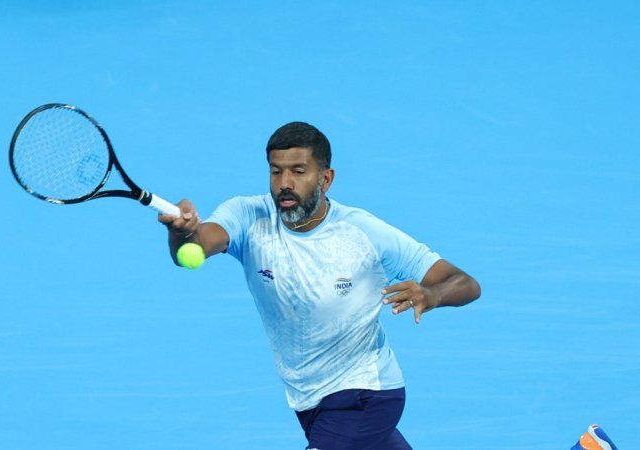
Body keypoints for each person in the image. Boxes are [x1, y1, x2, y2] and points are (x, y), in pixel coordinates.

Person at [158, 122, 481, 449]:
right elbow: (194, 250)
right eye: (276, 172)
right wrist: (181, 232)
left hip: (366, 394)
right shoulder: (247, 216)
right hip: (310, 401)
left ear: (326, 179)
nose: (285, 184)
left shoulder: (362, 233)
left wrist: (431, 293)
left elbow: (465, 283)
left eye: (298, 171)